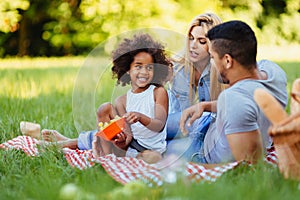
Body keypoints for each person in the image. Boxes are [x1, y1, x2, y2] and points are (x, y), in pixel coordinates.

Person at [25, 33, 171, 164]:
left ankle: (66, 143)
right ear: (127, 69)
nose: (144, 72)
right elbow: (127, 138)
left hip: (150, 150)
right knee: (105, 108)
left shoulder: (158, 92)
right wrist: (120, 140)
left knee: (154, 159)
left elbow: (158, 125)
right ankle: (106, 157)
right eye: (138, 66)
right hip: (129, 148)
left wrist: (140, 117)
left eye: (149, 67)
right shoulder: (122, 101)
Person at [170, 20, 288, 164]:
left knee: (159, 149)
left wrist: (195, 166)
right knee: (154, 129)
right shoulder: (274, 72)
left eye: (212, 57)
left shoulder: (234, 98)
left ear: (227, 60)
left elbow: (243, 166)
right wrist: (206, 105)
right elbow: (249, 102)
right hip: (208, 121)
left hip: (200, 149)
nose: (211, 64)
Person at [166, 13, 226, 142]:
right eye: (191, 38)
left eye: (201, 41)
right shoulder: (176, 68)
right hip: (175, 127)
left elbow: (230, 104)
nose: (193, 45)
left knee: (207, 120)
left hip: (207, 130)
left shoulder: (223, 71)